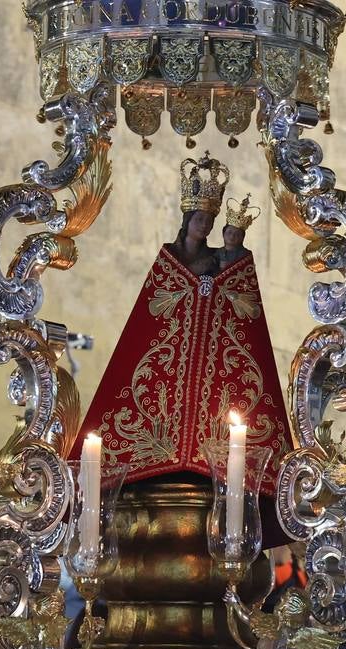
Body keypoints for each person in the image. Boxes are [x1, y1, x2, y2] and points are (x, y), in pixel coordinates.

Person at [73, 155, 294, 544]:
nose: (206, 226)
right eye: (200, 221)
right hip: (167, 388)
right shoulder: (169, 263)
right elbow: (151, 320)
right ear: (187, 220)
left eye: (210, 222)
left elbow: (239, 306)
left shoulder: (218, 262)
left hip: (208, 386)